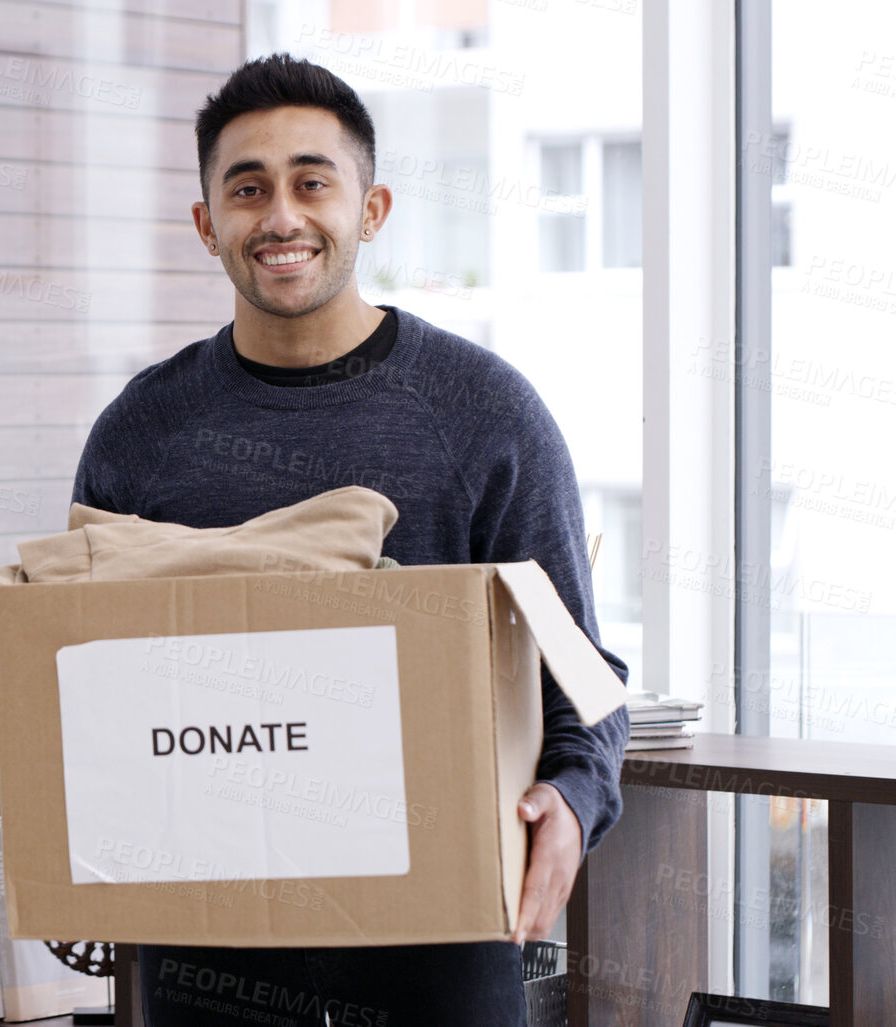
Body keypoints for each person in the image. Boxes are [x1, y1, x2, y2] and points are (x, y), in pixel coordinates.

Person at [69, 53, 630, 1026]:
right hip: (208, 965)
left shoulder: (485, 414)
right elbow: (87, 684)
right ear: (207, 226)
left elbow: (584, 679)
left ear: (370, 210)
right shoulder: (141, 436)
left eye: (311, 181)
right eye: (248, 189)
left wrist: (575, 803)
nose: (281, 215)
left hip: (442, 953)